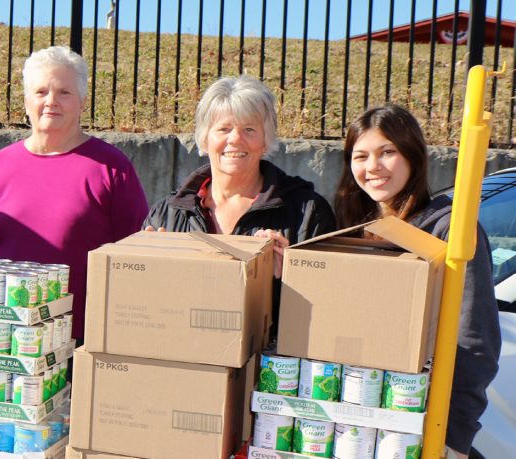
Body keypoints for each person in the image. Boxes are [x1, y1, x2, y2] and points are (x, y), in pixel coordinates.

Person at [334, 105, 501, 459]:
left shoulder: (451, 231)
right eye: (360, 156)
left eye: (387, 152)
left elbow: (474, 341)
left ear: (413, 155)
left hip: (424, 429)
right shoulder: (354, 232)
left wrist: (453, 438)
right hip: (359, 423)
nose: (372, 167)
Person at [0, 46, 149, 341]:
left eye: (64, 92)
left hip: (79, 341)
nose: (51, 102)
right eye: (41, 91)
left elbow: (136, 258)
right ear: (26, 101)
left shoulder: (111, 168)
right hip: (0, 341)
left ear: (82, 102)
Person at [143, 75, 336, 274]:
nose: (235, 139)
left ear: (265, 140)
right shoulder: (165, 214)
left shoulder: (308, 212)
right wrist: (147, 271)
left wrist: (291, 273)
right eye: (224, 129)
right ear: (205, 138)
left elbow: (327, 296)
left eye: (249, 129)